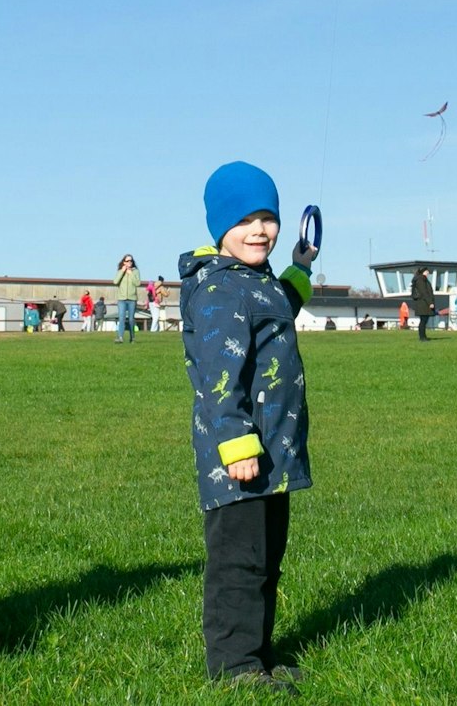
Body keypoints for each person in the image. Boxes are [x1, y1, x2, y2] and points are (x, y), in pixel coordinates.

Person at [181, 161, 315, 690]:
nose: (259, 230)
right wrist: (235, 444)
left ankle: (256, 654)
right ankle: (234, 669)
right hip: (240, 458)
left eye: (268, 218)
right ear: (220, 229)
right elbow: (219, 376)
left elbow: (281, 305)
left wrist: (301, 265)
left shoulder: (256, 283)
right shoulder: (218, 290)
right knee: (239, 565)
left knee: (266, 562)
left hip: (272, 453)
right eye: (245, 220)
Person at [114, 254, 141, 343]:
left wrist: (131, 274)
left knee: (131, 319)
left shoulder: (135, 271)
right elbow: (115, 281)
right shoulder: (120, 271)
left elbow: (137, 283)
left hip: (132, 299)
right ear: (123, 262)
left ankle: (132, 337)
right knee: (121, 318)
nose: (129, 262)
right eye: (127, 261)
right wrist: (122, 271)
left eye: (131, 261)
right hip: (121, 299)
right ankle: (120, 337)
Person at [411, 269, 436, 341]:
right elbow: (424, 292)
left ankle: (423, 336)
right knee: (423, 321)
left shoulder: (421, 279)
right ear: (423, 272)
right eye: (427, 271)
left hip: (423, 303)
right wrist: (430, 302)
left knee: (424, 320)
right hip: (423, 303)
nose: (428, 272)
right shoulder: (421, 280)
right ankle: (422, 337)